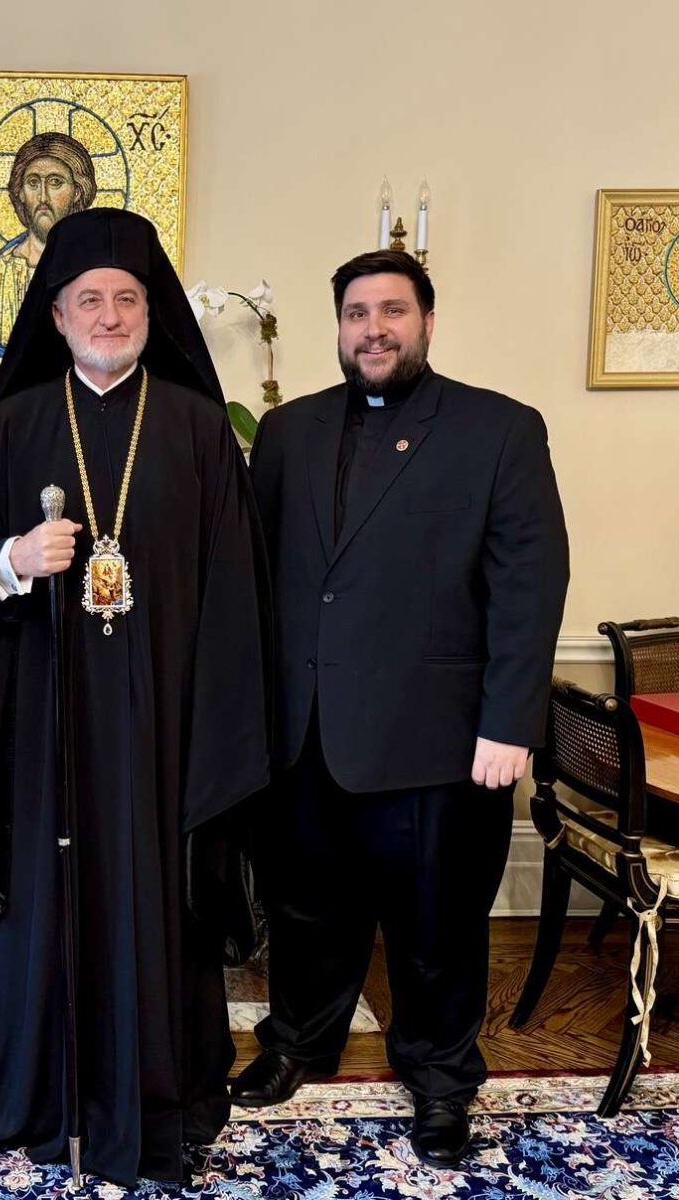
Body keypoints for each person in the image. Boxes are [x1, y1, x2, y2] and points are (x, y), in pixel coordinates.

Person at [0, 208, 269, 1186]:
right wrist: (10, 557)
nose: (110, 315)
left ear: (152, 312)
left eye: (128, 298)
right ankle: (44, 1093)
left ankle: (161, 1093)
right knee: (48, 905)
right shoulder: (16, 425)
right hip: (45, 726)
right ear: (56, 315)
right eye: (90, 299)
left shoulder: (201, 429)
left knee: (157, 906)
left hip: (166, 730)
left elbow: (239, 592)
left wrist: (216, 731)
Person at [238, 250, 569, 1165]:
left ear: (427, 320)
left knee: (437, 929)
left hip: (440, 742)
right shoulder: (289, 431)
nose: (373, 329)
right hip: (307, 733)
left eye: (392, 311)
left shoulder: (498, 429)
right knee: (306, 914)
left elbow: (530, 584)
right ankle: (300, 1044)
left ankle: (441, 1079)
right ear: (338, 328)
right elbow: (260, 574)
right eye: (356, 314)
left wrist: (511, 722)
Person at [0, 132, 97, 387]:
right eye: (33, 183)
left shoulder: (99, 271)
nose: (43, 197)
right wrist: (33, 372)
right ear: (20, 192)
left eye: (55, 182)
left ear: (77, 191)